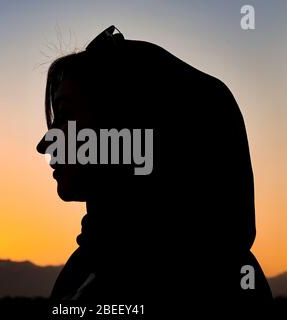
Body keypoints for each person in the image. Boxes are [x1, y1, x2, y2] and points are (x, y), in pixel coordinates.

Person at [36, 26, 272, 313]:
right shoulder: (86, 269)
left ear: (128, 122)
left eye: (64, 114)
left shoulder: (216, 285)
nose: (45, 143)